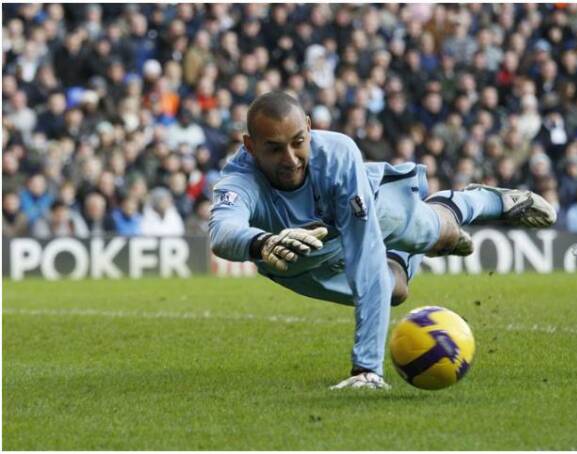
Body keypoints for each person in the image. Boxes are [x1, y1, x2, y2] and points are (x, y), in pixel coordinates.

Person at [208, 92, 556, 390]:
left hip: (370, 209)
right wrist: (262, 243)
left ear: (310, 128)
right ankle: (426, 245)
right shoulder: (238, 180)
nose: (291, 158)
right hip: (296, 262)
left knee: (434, 230)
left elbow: (365, 253)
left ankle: (478, 202)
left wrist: (366, 369)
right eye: (274, 149)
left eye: (299, 142)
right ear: (250, 146)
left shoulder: (338, 156)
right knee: (396, 292)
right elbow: (223, 231)